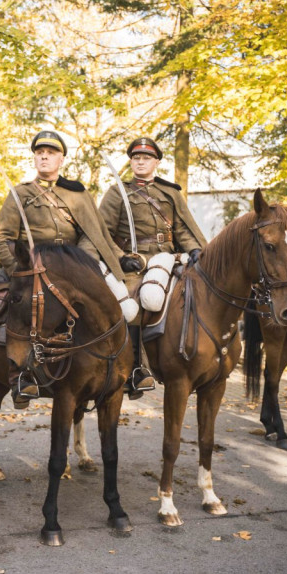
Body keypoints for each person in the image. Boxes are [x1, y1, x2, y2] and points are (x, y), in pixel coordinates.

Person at [0, 130, 137, 406]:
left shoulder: (78, 194)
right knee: (12, 309)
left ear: (62, 159)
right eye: (39, 152)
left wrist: (81, 265)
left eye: (51, 153)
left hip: (74, 271)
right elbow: (2, 238)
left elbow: (96, 234)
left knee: (124, 304)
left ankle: (132, 368)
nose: (44, 156)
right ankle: (20, 376)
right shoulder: (20, 194)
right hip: (33, 268)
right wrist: (20, 268)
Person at [98, 136, 207, 398]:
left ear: (157, 162)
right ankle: (136, 369)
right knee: (135, 300)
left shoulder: (169, 193)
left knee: (198, 294)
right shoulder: (117, 193)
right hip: (133, 262)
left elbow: (183, 228)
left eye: (146, 158)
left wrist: (194, 249)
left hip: (167, 258)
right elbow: (102, 232)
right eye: (136, 158)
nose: (141, 162)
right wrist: (121, 256)